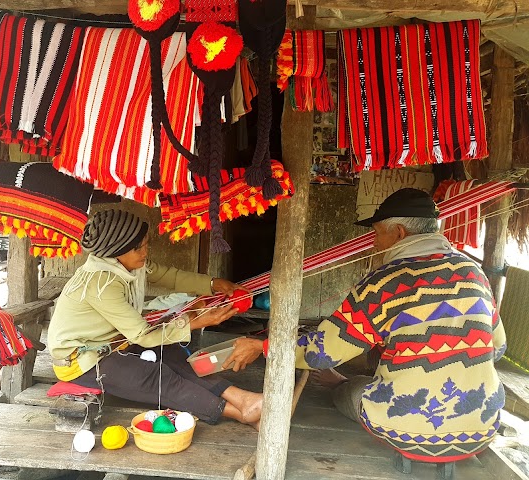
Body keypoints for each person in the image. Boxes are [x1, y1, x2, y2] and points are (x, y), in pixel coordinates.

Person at [224, 188, 507, 461]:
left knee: (350, 390)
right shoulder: (474, 272)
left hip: (406, 431)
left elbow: (323, 353)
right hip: (482, 426)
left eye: (376, 233)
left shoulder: (385, 281)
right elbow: (497, 348)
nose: (374, 243)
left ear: (399, 233)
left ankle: (343, 384)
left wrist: (263, 346)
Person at [48, 209, 262, 428]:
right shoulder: (101, 285)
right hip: (82, 362)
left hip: (113, 344)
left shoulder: (127, 265)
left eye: (145, 244)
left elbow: (169, 276)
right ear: (116, 252)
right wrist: (198, 321)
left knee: (173, 355)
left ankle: (243, 399)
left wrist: (213, 284)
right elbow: (144, 336)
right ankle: (240, 413)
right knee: (156, 377)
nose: (145, 251)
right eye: (138, 248)